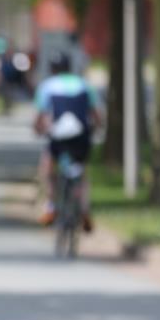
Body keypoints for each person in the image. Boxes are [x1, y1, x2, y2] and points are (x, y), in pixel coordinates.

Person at [33, 51, 103, 231]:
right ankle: (85, 208)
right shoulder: (85, 85)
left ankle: (50, 206)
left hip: (58, 137)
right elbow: (96, 115)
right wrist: (95, 130)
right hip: (81, 136)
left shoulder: (47, 86)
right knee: (82, 170)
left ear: (52, 69)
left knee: (48, 165)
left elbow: (41, 117)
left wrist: (38, 129)